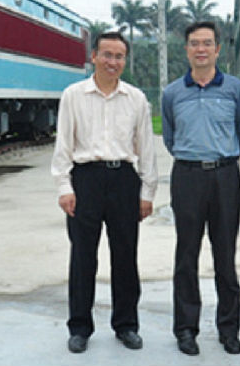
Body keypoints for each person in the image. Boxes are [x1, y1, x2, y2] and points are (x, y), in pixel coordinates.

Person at [51, 31, 158, 354]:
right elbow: (63, 144)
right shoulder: (73, 95)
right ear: (94, 56)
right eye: (107, 55)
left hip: (124, 179)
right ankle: (80, 327)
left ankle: (126, 325)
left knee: (125, 255)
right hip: (85, 179)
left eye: (119, 56)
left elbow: (146, 147)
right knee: (83, 256)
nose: (113, 62)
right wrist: (64, 187)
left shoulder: (135, 98)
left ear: (125, 60)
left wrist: (147, 192)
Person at [161, 21, 240, 356]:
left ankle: (229, 329)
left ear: (217, 49)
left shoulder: (235, 89)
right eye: (195, 43)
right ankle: (186, 329)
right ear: (186, 50)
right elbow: (170, 137)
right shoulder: (172, 93)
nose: (201, 49)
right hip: (187, 176)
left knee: (225, 254)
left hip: (225, 176)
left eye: (207, 43)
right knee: (186, 254)